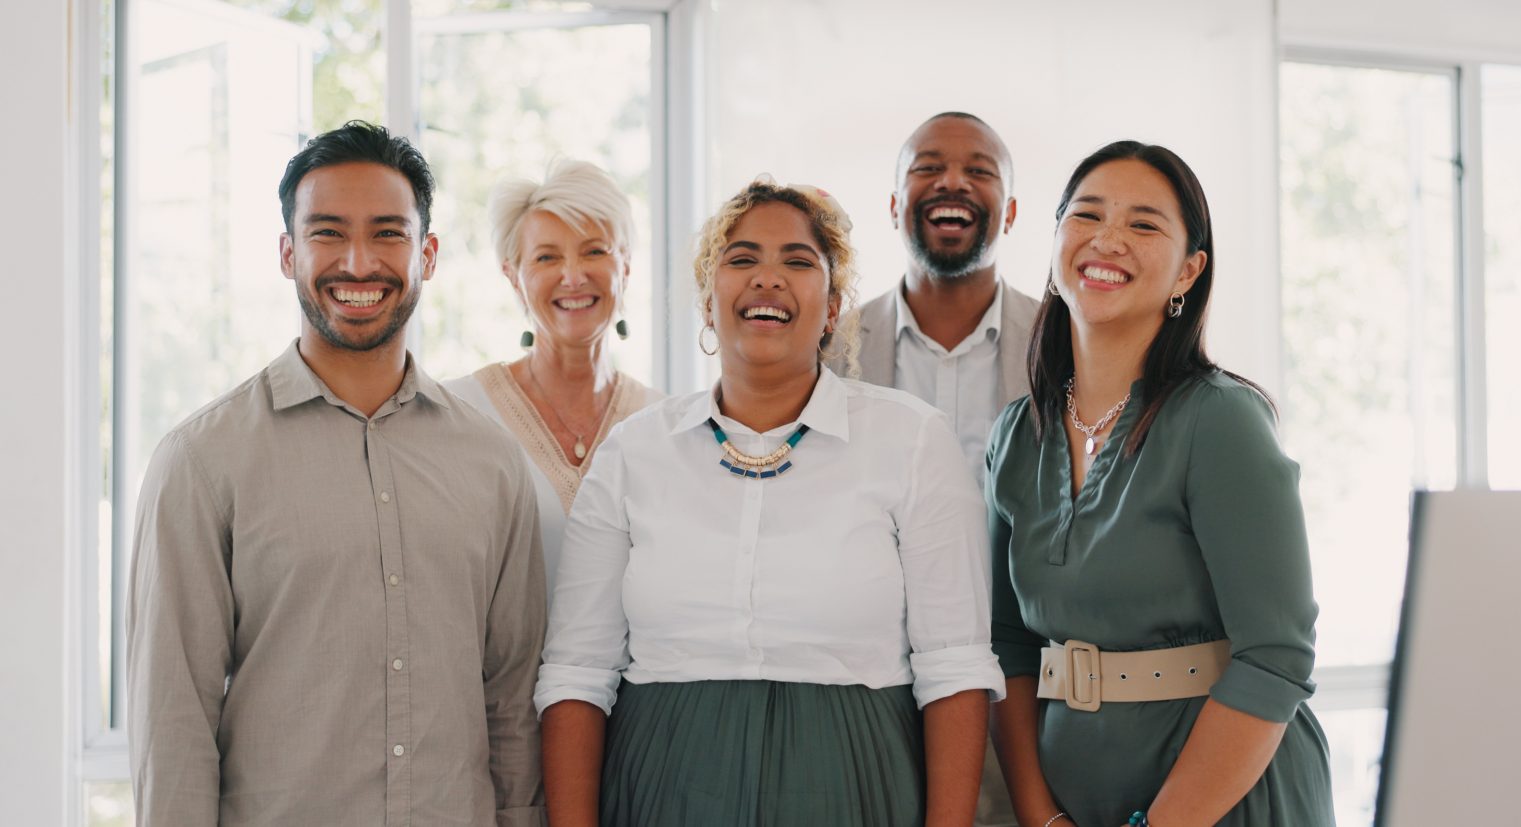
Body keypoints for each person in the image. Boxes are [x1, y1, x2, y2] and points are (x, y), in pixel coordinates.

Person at [535, 178, 1005, 826]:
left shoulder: (912, 440)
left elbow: (955, 669)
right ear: (707, 299)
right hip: (662, 786)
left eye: (798, 261)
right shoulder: (633, 453)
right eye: (742, 258)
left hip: (856, 786)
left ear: (834, 303)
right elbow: (575, 674)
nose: (768, 278)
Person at [126, 121, 548, 825]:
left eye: (388, 233)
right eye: (327, 232)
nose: (359, 262)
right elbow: (172, 718)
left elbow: (511, 706)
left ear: (428, 254)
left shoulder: (493, 462)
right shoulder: (201, 460)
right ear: (289, 253)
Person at [987, 141, 1333, 826]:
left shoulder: (1220, 419)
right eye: (1086, 216)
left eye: (1144, 224)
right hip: (1072, 808)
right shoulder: (1016, 435)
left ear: (1188, 271)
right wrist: (1040, 815)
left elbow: (1277, 656)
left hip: (1229, 803)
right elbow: (1007, 646)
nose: (1108, 239)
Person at [828, 110, 1036, 827]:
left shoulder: (1066, 346)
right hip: (871, 694)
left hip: (1028, 700)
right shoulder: (826, 349)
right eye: (927, 166)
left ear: (1009, 208)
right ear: (893, 203)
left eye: (980, 169)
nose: (953, 181)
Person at [447, 160, 661, 593]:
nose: (573, 276)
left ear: (626, 265)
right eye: (547, 257)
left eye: (595, 251)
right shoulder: (459, 415)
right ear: (513, 275)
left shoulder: (663, 422)